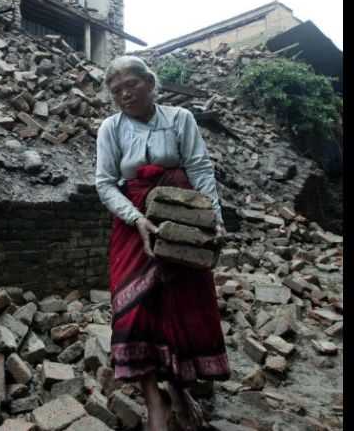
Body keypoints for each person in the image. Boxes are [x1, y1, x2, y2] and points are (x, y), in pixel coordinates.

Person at [95, 56, 230, 431]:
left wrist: (213, 221)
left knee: (181, 306)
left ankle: (179, 387)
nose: (124, 95)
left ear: (150, 83)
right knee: (134, 309)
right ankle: (155, 399)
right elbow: (105, 183)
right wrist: (137, 219)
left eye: (131, 85)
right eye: (116, 90)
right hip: (133, 223)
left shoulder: (178, 119)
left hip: (182, 219)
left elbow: (200, 169)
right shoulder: (111, 128)